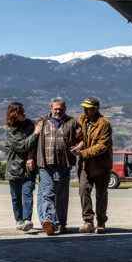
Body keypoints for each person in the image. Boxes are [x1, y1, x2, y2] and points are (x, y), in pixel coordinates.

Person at [35, 97, 80, 236]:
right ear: (51, 108)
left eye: (60, 109)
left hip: (64, 163)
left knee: (62, 195)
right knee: (48, 192)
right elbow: (34, 140)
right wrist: (31, 159)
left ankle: (62, 223)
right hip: (45, 163)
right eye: (55, 108)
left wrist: (79, 147)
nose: (58, 111)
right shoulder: (42, 122)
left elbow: (83, 138)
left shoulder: (72, 122)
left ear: (65, 109)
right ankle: (50, 221)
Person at [72, 97, 113, 234]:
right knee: (83, 190)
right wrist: (78, 145)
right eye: (84, 107)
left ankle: (101, 222)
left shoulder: (104, 124)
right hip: (85, 165)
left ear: (95, 109)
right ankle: (88, 221)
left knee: (101, 195)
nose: (85, 110)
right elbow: (83, 138)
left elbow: (102, 146)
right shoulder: (82, 119)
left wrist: (83, 153)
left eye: (88, 108)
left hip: (101, 165)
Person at [5, 102, 42, 231]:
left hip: (29, 166)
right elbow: (21, 146)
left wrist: (31, 157)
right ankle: (19, 220)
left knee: (27, 193)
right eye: (22, 112)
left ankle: (27, 220)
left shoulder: (30, 124)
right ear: (15, 114)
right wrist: (35, 134)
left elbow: (34, 144)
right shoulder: (10, 131)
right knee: (16, 196)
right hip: (14, 167)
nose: (25, 114)